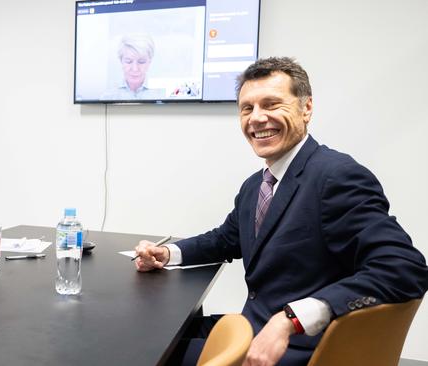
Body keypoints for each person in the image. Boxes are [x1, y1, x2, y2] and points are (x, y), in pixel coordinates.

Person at [133, 57, 428, 365]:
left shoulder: (336, 176)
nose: (256, 118)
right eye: (247, 108)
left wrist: (291, 319)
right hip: (255, 324)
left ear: (307, 108)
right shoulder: (255, 186)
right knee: (161, 336)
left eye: (271, 104)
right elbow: (224, 238)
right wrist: (167, 254)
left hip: (299, 347)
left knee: (150, 353)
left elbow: (404, 268)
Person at [100, 34, 165, 100]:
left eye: (141, 62)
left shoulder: (162, 94)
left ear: (149, 62)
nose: (135, 69)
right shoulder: (109, 95)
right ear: (121, 61)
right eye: (128, 61)